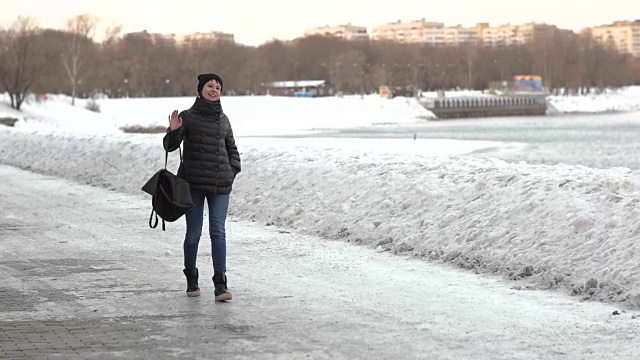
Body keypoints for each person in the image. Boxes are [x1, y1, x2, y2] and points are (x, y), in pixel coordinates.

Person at [163, 73, 241, 301]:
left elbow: (232, 148)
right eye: (210, 85)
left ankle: (220, 284)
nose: (214, 89)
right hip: (193, 185)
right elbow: (170, 147)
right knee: (194, 233)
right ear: (200, 89)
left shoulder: (224, 120)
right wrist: (174, 131)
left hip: (220, 185)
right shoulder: (188, 117)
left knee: (218, 231)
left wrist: (232, 169)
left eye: (218, 86)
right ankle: (192, 279)